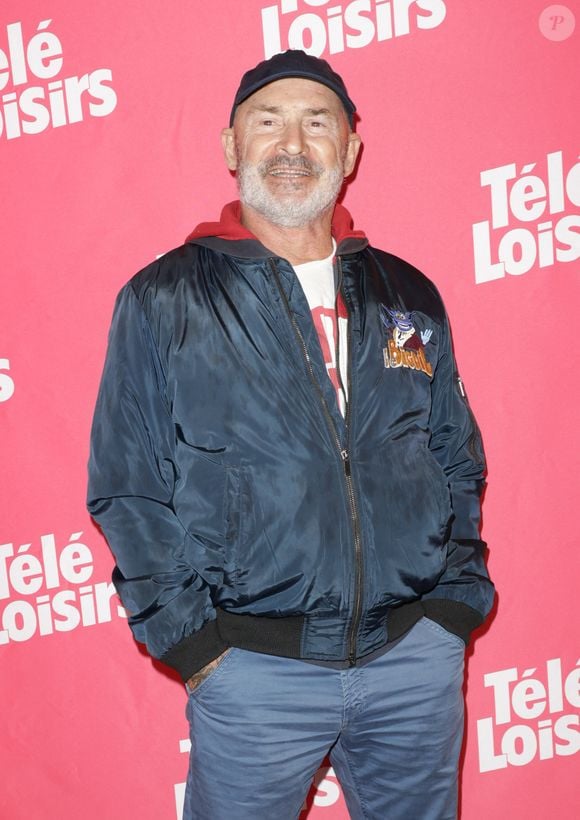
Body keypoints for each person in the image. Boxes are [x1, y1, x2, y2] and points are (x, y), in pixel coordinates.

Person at [87, 49, 495, 820]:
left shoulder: (406, 292)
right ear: (231, 145)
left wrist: (452, 610)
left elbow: (454, 457)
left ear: (350, 151)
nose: (293, 145)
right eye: (268, 122)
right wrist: (197, 648)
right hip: (253, 675)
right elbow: (127, 485)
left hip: (415, 662)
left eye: (318, 123)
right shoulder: (163, 297)